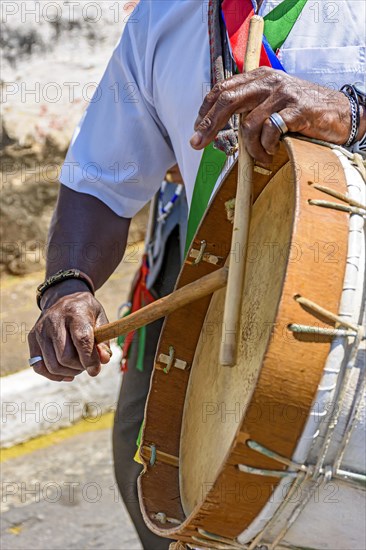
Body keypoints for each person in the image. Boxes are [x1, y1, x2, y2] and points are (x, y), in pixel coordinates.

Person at [27, 1, 365, 549]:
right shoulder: (164, 17)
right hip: (231, 327)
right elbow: (98, 181)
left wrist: (355, 115)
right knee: (160, 489)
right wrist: (68, 285)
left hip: (353, 324)